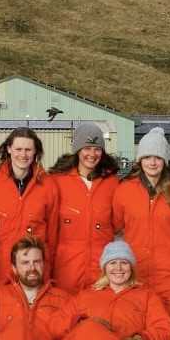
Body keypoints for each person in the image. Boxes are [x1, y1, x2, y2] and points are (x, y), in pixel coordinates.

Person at [112, 127, 170, 306]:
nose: (152, 163)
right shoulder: (125, 190)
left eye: (158, 157)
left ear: (165, 161)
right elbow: (111, 227)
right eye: (147, 157)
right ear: (140, 160)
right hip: (136, 273)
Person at [0, 127, 60, 288]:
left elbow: (52, 235)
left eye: (28, 149)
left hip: (32, 273)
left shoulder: (48, 185)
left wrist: (48, 271)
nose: (23, 155)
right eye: (18, 149)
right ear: (9, 149)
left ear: (35, 151)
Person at [48, 122, 121, 294]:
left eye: (97, 149)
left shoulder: (112, 183)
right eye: (87, 148)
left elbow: (117, 222)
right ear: (77, 150)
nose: (92, 154)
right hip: (66, 270)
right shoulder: (57, 181)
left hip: (100, 269)